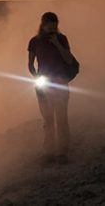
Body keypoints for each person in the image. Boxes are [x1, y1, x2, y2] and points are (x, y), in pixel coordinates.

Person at [27, 11, 77, 161]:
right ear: (43, 25)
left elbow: (69, 59)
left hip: (60, 81)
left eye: (55, 26)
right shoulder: (34, 42)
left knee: (61, 116)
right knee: (48, 118)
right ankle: (48, 151)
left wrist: (56, 43)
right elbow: (30, 63)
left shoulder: (62, 39)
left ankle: (63, 150)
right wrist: (35, 75)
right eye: (50, 25)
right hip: (44, 83)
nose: (52, 28)